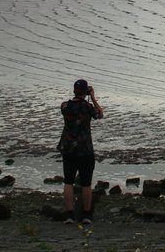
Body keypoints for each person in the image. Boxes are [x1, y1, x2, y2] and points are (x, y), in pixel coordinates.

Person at [58, 78, 103, 224]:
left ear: (74, 91)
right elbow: (99, 114)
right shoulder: (87, 107)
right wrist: (93, 97)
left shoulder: (65, 106)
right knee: (86, 183)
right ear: (86, 92)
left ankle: (70, 214)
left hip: (69, 149)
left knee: (68, 182)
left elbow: (67, 109)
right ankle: (86, 215)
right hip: (85, 150)